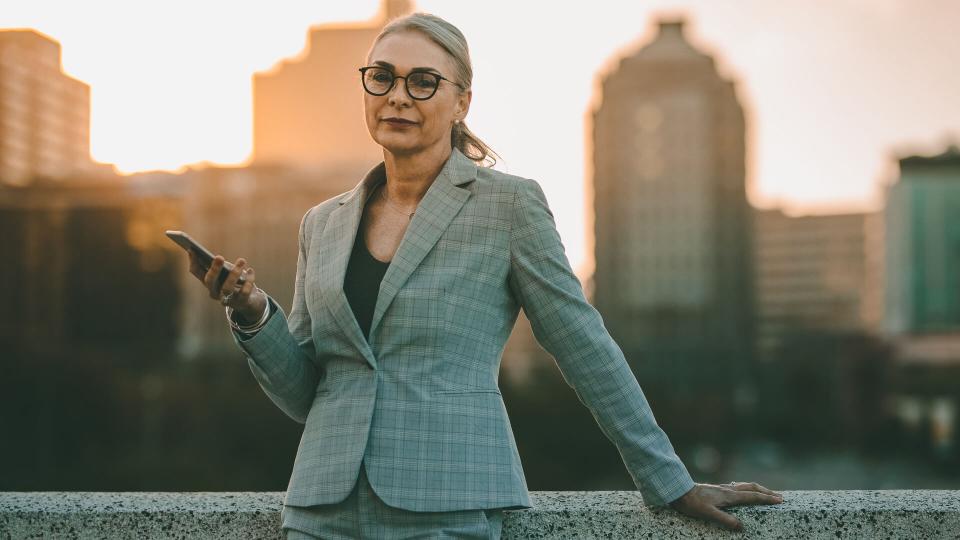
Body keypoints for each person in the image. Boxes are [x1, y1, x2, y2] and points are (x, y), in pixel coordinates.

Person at [188, 12, 783, 539]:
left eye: (423, 81)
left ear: (462, 101)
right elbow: (304, 392)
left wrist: (669, 480)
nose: (398, 95)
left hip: (447, 505)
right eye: (383, 77)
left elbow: (583, 345)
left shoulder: (509, 207)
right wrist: (251, 311)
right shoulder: (322, 223)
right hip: (320, 509)